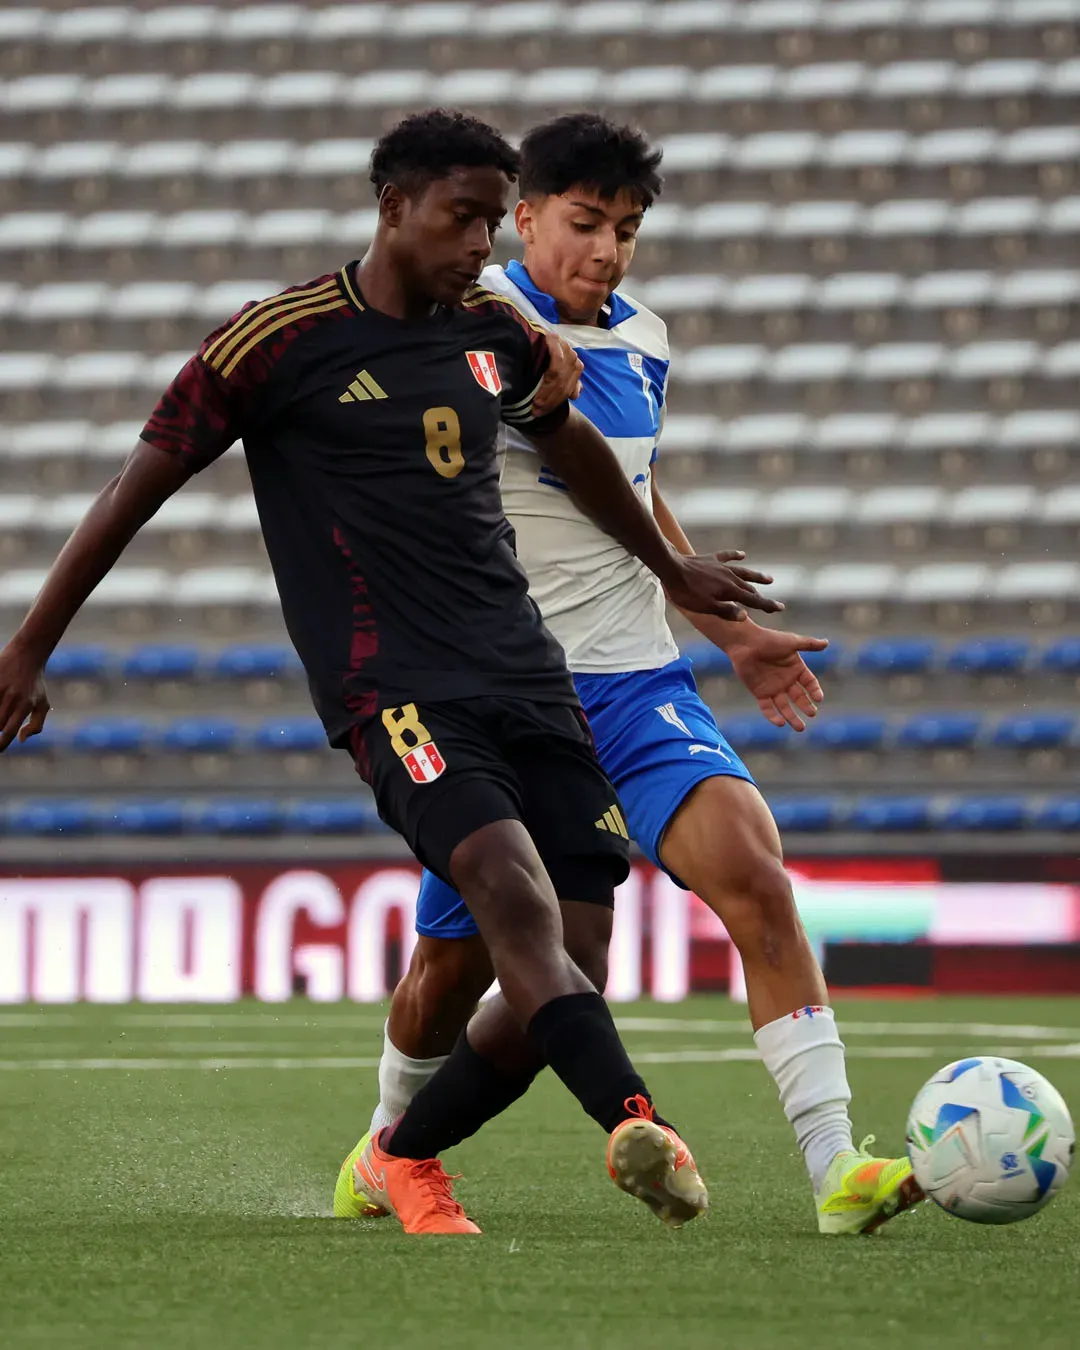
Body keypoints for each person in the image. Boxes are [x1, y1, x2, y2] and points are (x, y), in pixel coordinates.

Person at [0, 110, 782, 1235]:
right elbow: (137, 492)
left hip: (529, 676)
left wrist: (672, 566)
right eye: (463, 219)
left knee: (579, 950)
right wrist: (29, 646)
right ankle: (632, 1122)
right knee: (509, 894)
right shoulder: (274, 340)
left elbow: (568, 444)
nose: (480, 247)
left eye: (486, 222)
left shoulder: (494, 333)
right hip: (395, 694)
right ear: (394, 208)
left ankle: (398, 1155)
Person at [337, 113, 923, 1237]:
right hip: (501, 697)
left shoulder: (645, 339)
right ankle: (388, 1141)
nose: (606, 250)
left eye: (627, 230)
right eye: (584, 223)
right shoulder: (465, 318)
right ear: (525, 218)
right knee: (455, 973)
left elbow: (629, 485)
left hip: (636, 679)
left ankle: (838, 1169)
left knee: (755, 871)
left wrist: (716, 616)